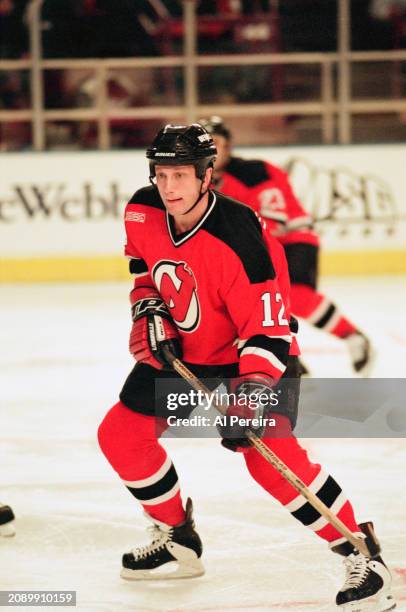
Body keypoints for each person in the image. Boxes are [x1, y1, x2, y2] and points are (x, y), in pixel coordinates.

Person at [98, 124, 394, 610]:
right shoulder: (142, 208)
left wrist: (251, 392)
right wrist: (148, 308)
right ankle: (178, 539)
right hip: (185, 353)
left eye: (179, 175)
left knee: (269, 459)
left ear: (206, 175)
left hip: (251, 359)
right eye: (160, 174)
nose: (168, 186)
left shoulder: (241, 237)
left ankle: (362, 553)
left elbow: (272, 331)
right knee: (122, 435)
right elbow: (142, 268)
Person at [198, 116, 374, 377]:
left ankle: (353, 338)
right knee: (250, 308)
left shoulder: (254, 172)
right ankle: (290, 363)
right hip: (253, 249)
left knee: (295, 296)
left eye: (216, 143)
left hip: (292, 238)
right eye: (205, 145)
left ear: (229, 145)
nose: (211, 150)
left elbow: (275, 222)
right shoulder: (200, 181)